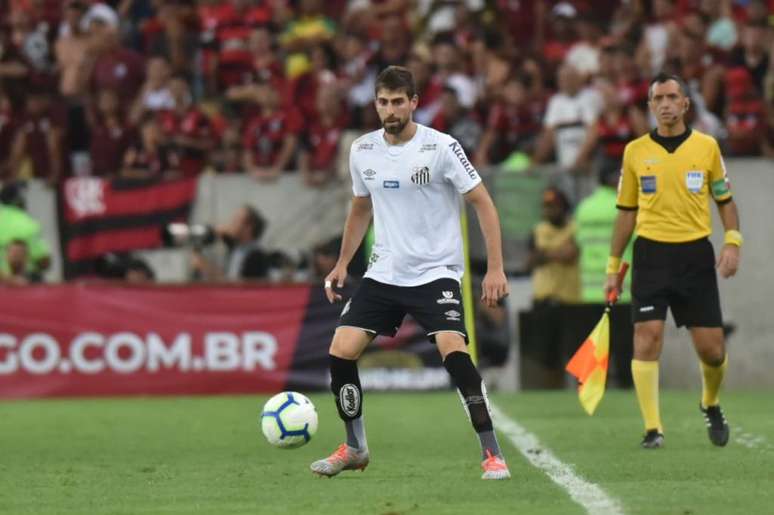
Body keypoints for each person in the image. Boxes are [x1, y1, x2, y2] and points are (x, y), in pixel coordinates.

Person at [310, 66, 511, 480]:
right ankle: (355, 447)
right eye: (383, 102)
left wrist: (495, 268)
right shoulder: (362, 150)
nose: (390, 109)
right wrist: (343, 263)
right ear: (376, 104)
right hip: (385, 271)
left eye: (398, 101)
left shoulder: (441, 147)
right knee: (340, 352)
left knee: (454, 352)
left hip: (436, 271)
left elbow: (483, 203)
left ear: (414, 102)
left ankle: (492, 453)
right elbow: (361, 206)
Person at [606, 73, 741, 449]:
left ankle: (710, 402)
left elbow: (725, 203)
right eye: (657, 99)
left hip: (695, 255)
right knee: (646, 338)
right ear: (650, 106)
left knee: (712, 350)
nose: (665, 104)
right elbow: (626, 213)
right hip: (650, 254)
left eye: (671, 97)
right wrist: (612, 268)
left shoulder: (707, 147)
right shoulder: (635, 152)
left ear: (685, 104)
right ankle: (653, 428)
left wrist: (732, 242)